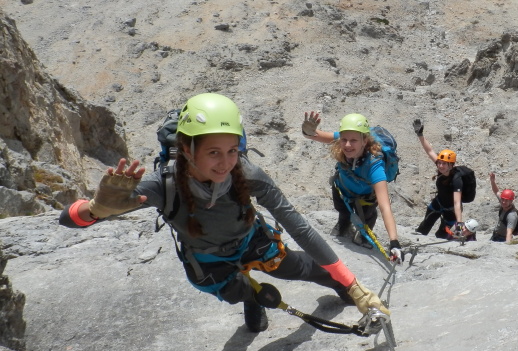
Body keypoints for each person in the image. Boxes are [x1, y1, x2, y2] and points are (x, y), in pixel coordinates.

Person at [60, 93, 389, 334]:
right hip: (207, 260)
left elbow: (300, 228)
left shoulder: (248, 173)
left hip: (249, 239)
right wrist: (95, 209)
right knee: (235, 292)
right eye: (213, 152)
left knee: (299, 268)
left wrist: (354, 286)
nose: (225, 162)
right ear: (187, 150)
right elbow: (68, 219)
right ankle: (251, 295)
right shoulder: (164, 183)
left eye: (232, 150)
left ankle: (337, 288)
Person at [301, 111, 403, 262]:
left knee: (367, 217)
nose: (347, 145)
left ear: (365, 141)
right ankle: (344, 225)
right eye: (344, 139)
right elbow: (314, 135)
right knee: (342, 210)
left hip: (365, 198)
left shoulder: (375, 165)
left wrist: (394, 241)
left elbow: (384, 206)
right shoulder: (347, 139)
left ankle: (363, 236)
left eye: (354, 140)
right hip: (343, 190)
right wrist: (307, 131)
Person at [411, 118, 466, 239]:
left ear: (451, 165)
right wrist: (420, 134)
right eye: (439, 163)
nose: (440, 165)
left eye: (444, 163)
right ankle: (419, 238)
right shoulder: (442, 169)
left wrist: (459, 225)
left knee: (443, 233)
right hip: (438, 203)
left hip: (451, 210)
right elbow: (429, 150)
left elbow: (457, 203)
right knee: (424, 226)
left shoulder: (457, 180)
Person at [489, 172, 518, 242]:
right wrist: (492, 181)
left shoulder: (512, 215)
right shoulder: (503, 201)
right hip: (495, 235)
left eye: (506, 200)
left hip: (502, 238)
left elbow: (509, 233)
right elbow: (496, 191)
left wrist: (507, 246)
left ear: (511, 201)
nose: (503, 202)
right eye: (502, 199)